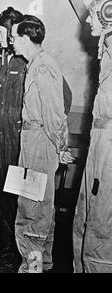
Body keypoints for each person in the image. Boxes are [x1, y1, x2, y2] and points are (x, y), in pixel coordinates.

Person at [10, 15, 74, 273]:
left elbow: (54, 111)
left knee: (32, 205)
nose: (11, 42)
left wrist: (61, 145)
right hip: (32, 138)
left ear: (26, 39)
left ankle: (32, 265)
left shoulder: (43, 65)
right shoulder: (36, 64)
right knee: (35, 202)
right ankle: (41, 263)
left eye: (14, 37)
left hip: (39, 139)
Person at [73, 0, 112, 273]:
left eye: (92, 16)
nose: (87, 21)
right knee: (86, 215)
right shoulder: (107, 51)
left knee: (101, 222)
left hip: (108, 147)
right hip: (100, 142)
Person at [0, 7, 26, 259]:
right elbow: (4, 96)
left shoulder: (27, 61)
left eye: (1, 32)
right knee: (1, 189)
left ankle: (20, 247)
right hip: (1, 134)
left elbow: (62, 97)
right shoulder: (3, 60)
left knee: (18, 192)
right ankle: (7, 245)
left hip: (18, 137)